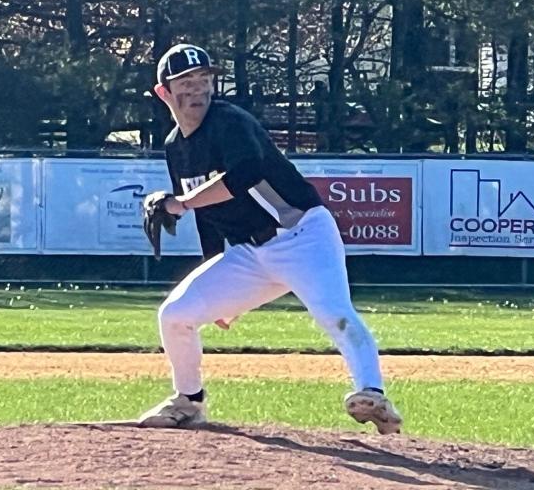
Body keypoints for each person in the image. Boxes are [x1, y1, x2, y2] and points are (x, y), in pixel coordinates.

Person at [137, 43, 402, 434]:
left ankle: (372, 394)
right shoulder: (176, 147)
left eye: (204, 80)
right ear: (164, 93)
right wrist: (214, 271)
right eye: (185, 82)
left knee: (334, 313)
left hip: (303, 234)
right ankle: (189, 402)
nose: (197, 90)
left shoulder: (230, 122)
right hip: (250, 254)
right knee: (175, 315)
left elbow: (245, 175)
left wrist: (180, 203)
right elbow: (208, 216)